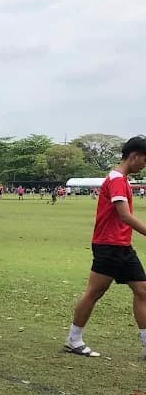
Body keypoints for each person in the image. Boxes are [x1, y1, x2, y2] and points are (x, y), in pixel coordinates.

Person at [66, 136, 146, 359]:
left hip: (122, 246)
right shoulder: (116, 179)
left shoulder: (122, 179)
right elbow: (125, 215)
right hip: (109, 245)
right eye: (144, 160)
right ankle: (73, 339)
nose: (144, 165)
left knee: (142, 290)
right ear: (134, 156)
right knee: (94, 292)